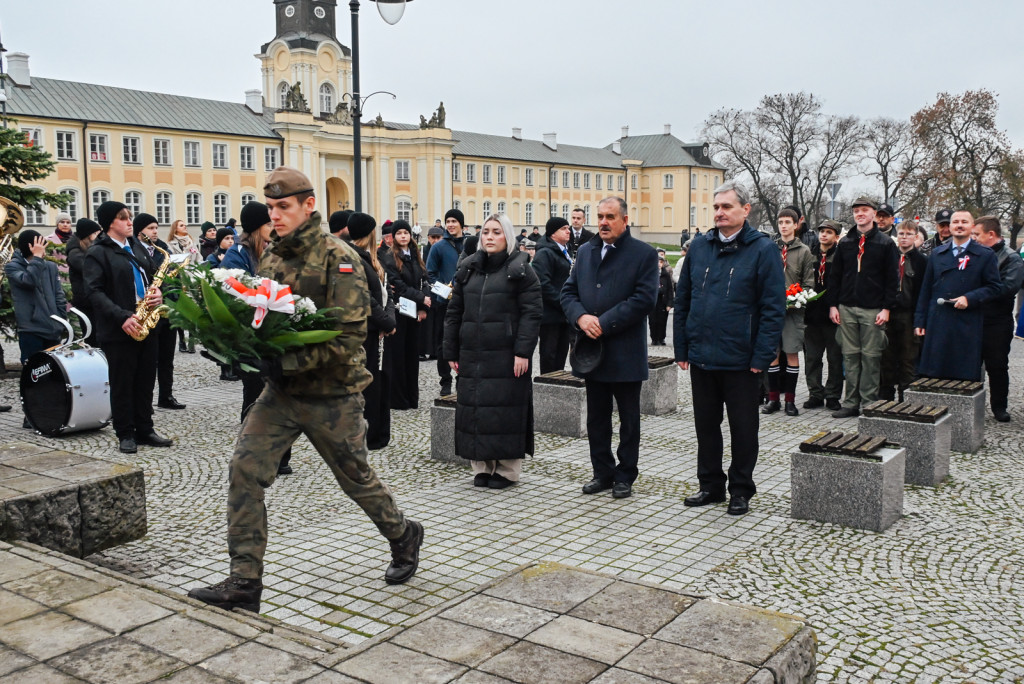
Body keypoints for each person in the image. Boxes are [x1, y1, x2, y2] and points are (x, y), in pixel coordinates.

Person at [187, 167, 423, 614]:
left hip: (332, 394)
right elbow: (262, 316)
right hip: (281, 394)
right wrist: (237, 346)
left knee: (355, 479)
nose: (274, 216)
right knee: (244, 471)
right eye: (271, 208)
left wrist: (283, 358)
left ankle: (403, 533)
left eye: (283, 207)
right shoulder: (272, 257)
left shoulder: (341, 258)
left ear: (308, 205)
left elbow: (348, 338)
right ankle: (244, 582)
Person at [673, 181, 785, 516]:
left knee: (743, 428)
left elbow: (772, 308)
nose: (719, 213)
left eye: (727, 207)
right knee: (706, 426)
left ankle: (740, 490)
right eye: (716, 207)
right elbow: (684, 300)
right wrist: (682, 347)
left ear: (745, 210)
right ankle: (710, 485)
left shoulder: (762, 250)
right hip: (703, 355)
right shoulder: (700, 247)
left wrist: (762, 356)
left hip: (742, 359)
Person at [560, 197, 659, 500]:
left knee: (629, 419)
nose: (603, 222)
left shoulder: (642, 254)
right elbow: (568, 292)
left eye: (610, 217)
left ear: (624, 220)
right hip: (592, 353)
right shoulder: (587, 251)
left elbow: (644, 299)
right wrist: (581, 316)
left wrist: (604, 322)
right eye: (600, 216)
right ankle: (602, 472)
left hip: (625, 352)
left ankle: (625, 475)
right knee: (596, 418)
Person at [444, 213, 541, 489]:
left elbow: (531, 314)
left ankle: (507, 470)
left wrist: (523, 351)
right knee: (476, 407)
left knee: (505, 408)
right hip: (473, 353)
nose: (489, 237)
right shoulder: (468, 268)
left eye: (496, 232)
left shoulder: (522, 269)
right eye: (486, 231)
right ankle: (482, 464)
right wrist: (450, 350)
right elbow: (454, 312)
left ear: (507, 236)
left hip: (506, 353)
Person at [83, 201, 173, 453]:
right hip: (119, 326)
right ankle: (125, 433)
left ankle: (145, 428)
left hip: (145, 321)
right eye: (123, 218)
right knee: (123, 382)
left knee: (145, 380)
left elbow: (153, 278)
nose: (130, 222)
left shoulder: (136, 248)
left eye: (129, 217)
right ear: (110, 223)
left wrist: (159, 294)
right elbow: (94, 292)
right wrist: (122, 316)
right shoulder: (98, 252)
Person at [223, 201, 295, 473]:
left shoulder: (275, 250)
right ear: (255, 228)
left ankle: (280, 456)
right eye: (268, 224)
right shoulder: (237, 255)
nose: (273, 227)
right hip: (251, 339)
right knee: (255, 397)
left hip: (276, 336)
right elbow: (235, 292)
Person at [826, 197, 899, 418]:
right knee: (850, 356)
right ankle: (850, 402)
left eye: (864, 210)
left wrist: (886, 308)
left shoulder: (885, 244)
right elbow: (835, 277)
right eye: (856, 211)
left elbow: (892, 279)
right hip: (846, 307)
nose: (860, 214)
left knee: (871, 357)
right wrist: (833, 305)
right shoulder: (846, 243)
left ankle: (869, 402)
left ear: (874, 214)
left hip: (873, 309)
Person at [915, 210, 1001, 383]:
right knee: (934, 372)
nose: (959, 225)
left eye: (964, 222)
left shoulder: (985, 255)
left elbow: (994, 287)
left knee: (961, 374)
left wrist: (970, 298)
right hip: (938, 320)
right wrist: (919, 321)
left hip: (966, 322)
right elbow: (925, 290)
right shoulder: (937, 254)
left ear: (972, 227)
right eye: (955, 222)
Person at [346, 212, 397, 450]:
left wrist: (389, 318)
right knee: (368, 384)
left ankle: (376, 433)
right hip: (364, 332)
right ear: (368, 233)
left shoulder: (368, 258)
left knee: (377, 382)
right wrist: (386, 322)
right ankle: (368, 434)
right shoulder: (351, 258)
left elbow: (386, 293)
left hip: (376, 330)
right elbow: (363, 297)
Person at [763, 208, 814, 417]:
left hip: (793, 312)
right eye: (780, 222)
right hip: (771, 311)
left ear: (796, 225)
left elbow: (809, 283)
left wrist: (797, 299)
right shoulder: (770, 249)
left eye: (787, 222)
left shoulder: (804, 251)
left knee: (791, 353)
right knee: (772, 355)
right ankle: (773, 399)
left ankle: (790, 401)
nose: (783, 226)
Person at [972, 216, 1023, 420]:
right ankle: (970, 405)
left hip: (997, 320)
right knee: (971, 364)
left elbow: (1008, 287)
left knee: (997, 365)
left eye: (977, 234)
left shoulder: (1011, 258)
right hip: (974, 317)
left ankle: (999, 407)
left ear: (991, 234)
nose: (973, 238)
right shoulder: (974, 254)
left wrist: (976, 293)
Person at [133, 213, 186, 411]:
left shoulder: (163, 249)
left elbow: (173, 279)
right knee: (149, 360)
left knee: (167, 358)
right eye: (150, 228)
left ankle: (166, 395)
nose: (155, 231)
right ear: (140, 232)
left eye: (156, 227)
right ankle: (144, 400)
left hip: (166, 311)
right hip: (147, 310)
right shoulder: (134, 250)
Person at [382, 219, 429, 410]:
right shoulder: (389, 258)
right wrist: (420, 297)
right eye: (399, 233)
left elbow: (425, 279)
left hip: (415, 312)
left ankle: (412, 397)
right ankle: (399, 399)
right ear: (394, 236)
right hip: (400, 311)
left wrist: (424, 303)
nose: (403, 236)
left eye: (406, 233)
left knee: (412, 356)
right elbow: (397, 285)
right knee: (398, 356)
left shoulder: (416, 254)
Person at [879, 220, 927, 402]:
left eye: (908, 234)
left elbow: (923, 291)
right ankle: (885, 396)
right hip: (888, 312)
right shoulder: (889, 257)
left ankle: (906, 398)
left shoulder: (921, 261)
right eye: (901, 234)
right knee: (886, 356)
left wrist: (920, 320)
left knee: (908, 358)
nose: (904, 238)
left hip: (909, 314)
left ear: (916, 237)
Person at [5, 230, 67, 365]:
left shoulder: (50, 266)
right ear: (31, 248)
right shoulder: (12, 267)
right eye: (41, 247)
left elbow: (59, 295)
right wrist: (37, 258)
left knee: (56, 374)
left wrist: (60, 320)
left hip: (52, 329)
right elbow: (29, 281)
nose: (44, 251)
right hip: (31, 331)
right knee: (34, 373)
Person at [803, 220, 844, 411]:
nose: (824, 235)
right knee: (812, 358)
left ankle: (833, 395)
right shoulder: (810, 255)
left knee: (834, 359)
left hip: (833, 316)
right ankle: (815, 393)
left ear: (836, 236)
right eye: (822, 232)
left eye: (829, 232)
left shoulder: (841, 256)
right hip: (811, 315)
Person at [426, 208, 467, 395]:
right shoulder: (438, 247)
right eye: (448, 221)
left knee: (464, 340)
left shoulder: (470, 244)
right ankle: (445, 380)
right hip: (444, 302)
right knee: (444, 342)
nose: (450, 224)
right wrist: (444, 290)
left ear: (461, 223)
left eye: (454, 221)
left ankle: (462, 378)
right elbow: (430, 275)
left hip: (467, 301)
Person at [530, 217, 574, 374]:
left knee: (561, 354)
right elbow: (542, 283)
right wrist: (563, 301)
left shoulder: (564, 250)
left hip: (563, 314)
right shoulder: (545, 253)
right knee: (549, 355)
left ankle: (558, 386)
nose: (568, 231)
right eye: (564, 228)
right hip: (550, 314)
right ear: (553, 233)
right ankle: (548, 387)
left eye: (568, 228)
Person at [166, 219, 201, 353]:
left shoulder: (191, 243)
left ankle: (191, 341)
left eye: (185, 225)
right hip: (178, 279)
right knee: (180, 311)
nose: (185, 227)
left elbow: (198, 258)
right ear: (175, 229)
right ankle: (181, 340)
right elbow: (170, 261)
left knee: (192, 310)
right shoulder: (170, 244)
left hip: (191, 279)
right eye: (181, 225)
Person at [66, 218, 102, 344]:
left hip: (91, 302)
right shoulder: (75, 253)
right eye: (97, 233)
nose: (99, 236)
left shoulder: (86, 249)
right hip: (86, 302)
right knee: (92, 337)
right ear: (89, 235)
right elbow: (90, 270)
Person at [418, 225, 445, 360]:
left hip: (441, 290)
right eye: (432, 237)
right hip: (427, 289)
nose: (435, 240)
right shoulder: (423, 251)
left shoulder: (444, 251)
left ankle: (435, 350)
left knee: (437, 323)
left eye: (438, 238)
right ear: (428, 238)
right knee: (425, 324)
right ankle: (422, 350)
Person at [650, 249, 674, 346]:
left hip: (663, 301)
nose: (659, 264)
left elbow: (670, 289)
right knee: (652, 321)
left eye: (661, 262)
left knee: (662, 321)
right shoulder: (651, 274)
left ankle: (661, 338)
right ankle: (654, 338)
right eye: (657, 262)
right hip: (653, 301)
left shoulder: (666, 275)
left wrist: (669, 303)